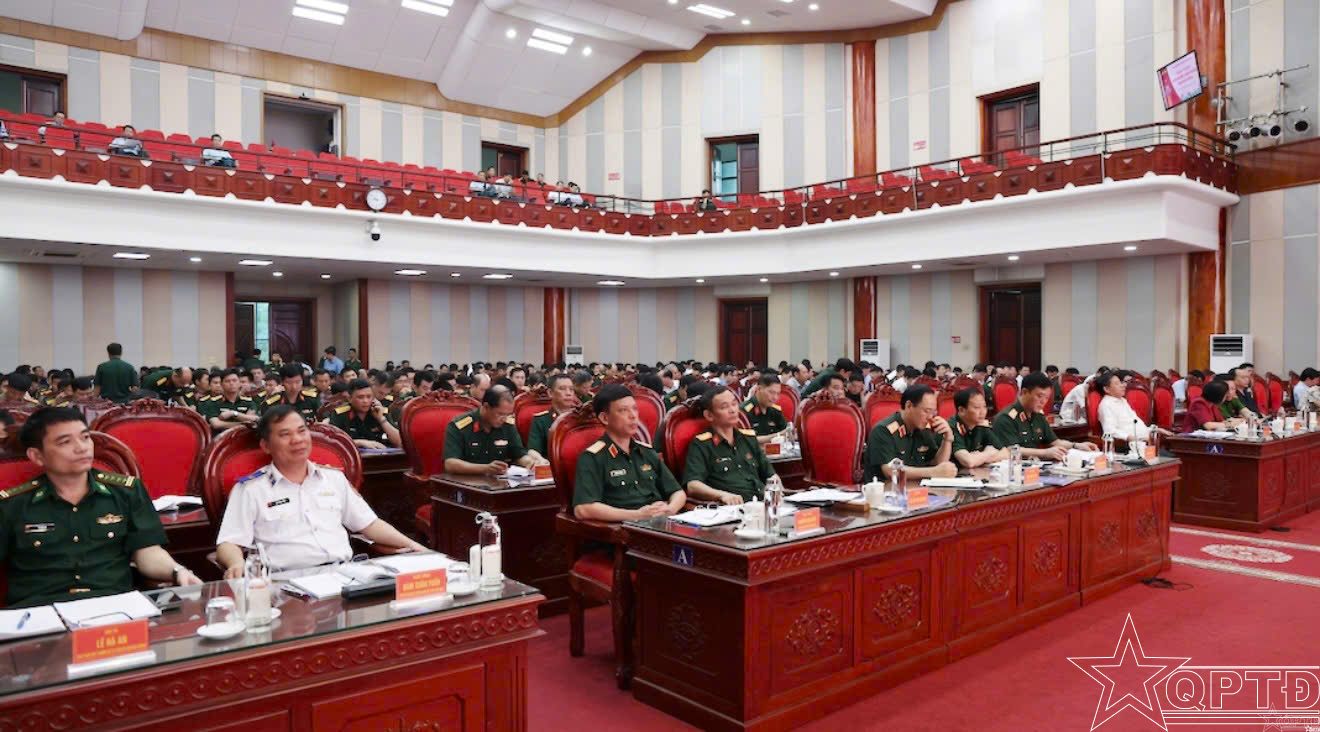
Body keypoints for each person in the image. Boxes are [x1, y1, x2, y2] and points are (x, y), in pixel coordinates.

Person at [0, 408, 201, 606]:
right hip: (39, 611)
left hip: (113, 606)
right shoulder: (12, 505)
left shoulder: (126, 492)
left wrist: (178, 571)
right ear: (37, 456)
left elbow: (147, 552)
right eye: (65, 442)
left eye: (85, 437)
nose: (82, 448)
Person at [214, 406, 425, 577]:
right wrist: (236, 564)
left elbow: (369, 524)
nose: (297, 440)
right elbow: (229, 542)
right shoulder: (251, 489)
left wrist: (413, 545)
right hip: (285, 583)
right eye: (285, 434)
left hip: (345, 576)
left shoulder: (333, 478)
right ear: (266, 446)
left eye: (301, 431)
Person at [572, 385, 685, 521]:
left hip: (660, 521)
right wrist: (638, 515)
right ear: (605, 418)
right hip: (624, 527)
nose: (633, 416)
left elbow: (678, 492)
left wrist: (670, 509)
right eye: (623, 410)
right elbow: (583, 509)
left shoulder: (647, 452)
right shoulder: (593, 457)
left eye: (635, 408)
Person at [683, 386, 776, 505]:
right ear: (709, 415)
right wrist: (722, 495)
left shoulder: (748, 438)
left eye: (734, 404)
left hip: (763, 503)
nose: (732, 410)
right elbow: (693, 485)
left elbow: (771, 475)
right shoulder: (702, 444)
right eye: (724, 407)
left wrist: (777, 490)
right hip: (732, 508)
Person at [993, 372, 1096, 460]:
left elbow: (1054, 441)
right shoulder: (1006, 418)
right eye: (1040, 396)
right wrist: (1045, 453)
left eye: (1046, 398)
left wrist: (1076, 445)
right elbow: (1011, 449)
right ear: (1024, 392)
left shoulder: (1038, 416)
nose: (1043, 402)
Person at [864, 385, 956, 481]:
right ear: (909, 406)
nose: (930, 417)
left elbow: (937, 464)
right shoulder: (883, 430)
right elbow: (890, 471)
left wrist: (947, 438)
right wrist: (933, 472)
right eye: (926, 411)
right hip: (887, 488)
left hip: (917, 487)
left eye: (933, 413)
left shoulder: (923, 429)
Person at [443, 389, 544, 475]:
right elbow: (450, 464)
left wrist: (529, 463)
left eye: (508, 414)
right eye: (500, 414)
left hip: (499, 483)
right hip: (467, 483)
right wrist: (485, 468)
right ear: (486, 407)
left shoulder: (508, 425)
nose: (504, 419)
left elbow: (518, 454)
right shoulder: (461, 426)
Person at [1096, 370, 1170, 441]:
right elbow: (1110, 431)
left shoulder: (1122, 401)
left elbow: (1135, 424)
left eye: (1121, 382)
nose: (1122, 386)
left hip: (1144, 440)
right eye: (1117, 384)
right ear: (1106, 389)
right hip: (1129, 445)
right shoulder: (1106, 405)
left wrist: (1155, 430)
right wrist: (1132, 438)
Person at [326, 379, 401, 449]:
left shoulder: (379, 411)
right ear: (349, 398)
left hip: (380, 455)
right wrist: (359, 442)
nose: (365, 401)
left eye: (369, 397)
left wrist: (381, 418)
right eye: (360, 397)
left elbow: (399, 442)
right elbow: (333, 442)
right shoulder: (340, 414)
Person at [950, 387, 1009, 469]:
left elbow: (1005, 453)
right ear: (961, 410)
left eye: (984, 407)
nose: (983, 412)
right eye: (977, 407)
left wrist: (980, 458)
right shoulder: (951, 427)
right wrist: (988, 453)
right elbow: (968, 462)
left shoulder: (981, 425)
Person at [527, 374, 579, 456]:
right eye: (562, 389)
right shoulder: (541, 420)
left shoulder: (580, 418)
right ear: (550, 393)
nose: (568, 393)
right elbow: (534, 452)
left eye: (571, 389)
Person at [198, 368, 259, 434]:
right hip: (221, 437)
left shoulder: (248, 402)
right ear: (222, 384)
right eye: (227, 381)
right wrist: (242, 424)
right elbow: (216, 424)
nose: (231, 383)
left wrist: (233, 413)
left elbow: (253, 419)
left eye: (234, 380)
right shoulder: (213, 402)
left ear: (239, 383)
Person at [741, 375, 788, 442]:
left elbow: (786, 431)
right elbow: (746, 441)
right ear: (759, 389)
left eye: (778, 394)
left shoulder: (775, 410)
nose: (775, 398)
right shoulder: (744, 411)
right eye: (771, 392)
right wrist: (777, 436)